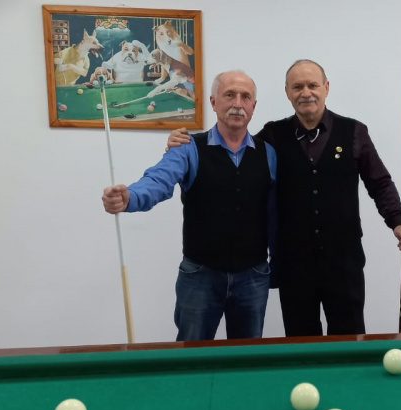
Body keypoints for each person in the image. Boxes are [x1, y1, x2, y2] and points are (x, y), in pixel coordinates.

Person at [167, 59, 401, 337]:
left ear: (326, 87)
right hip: (294, 266)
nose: (305, 93)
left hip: (344, 263)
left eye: (312, 85)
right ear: (287, 92)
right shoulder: (272, 136)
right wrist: (185, 143)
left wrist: (397, 221)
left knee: (348, 342)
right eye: (297, 87)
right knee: (301, 345)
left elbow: (379, 183)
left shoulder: (354, 132)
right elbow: (234, 148)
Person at [101, 70, 276, 341]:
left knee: (247, 358)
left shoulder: (269, 153)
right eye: (229, 95)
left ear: (254, 105)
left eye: (245, 97)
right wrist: (130, 197)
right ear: (213, 102)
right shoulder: (187, 147)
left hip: (253, 275)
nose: (237, 103)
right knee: (191, 355)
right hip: (200, 276)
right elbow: (158, 180)